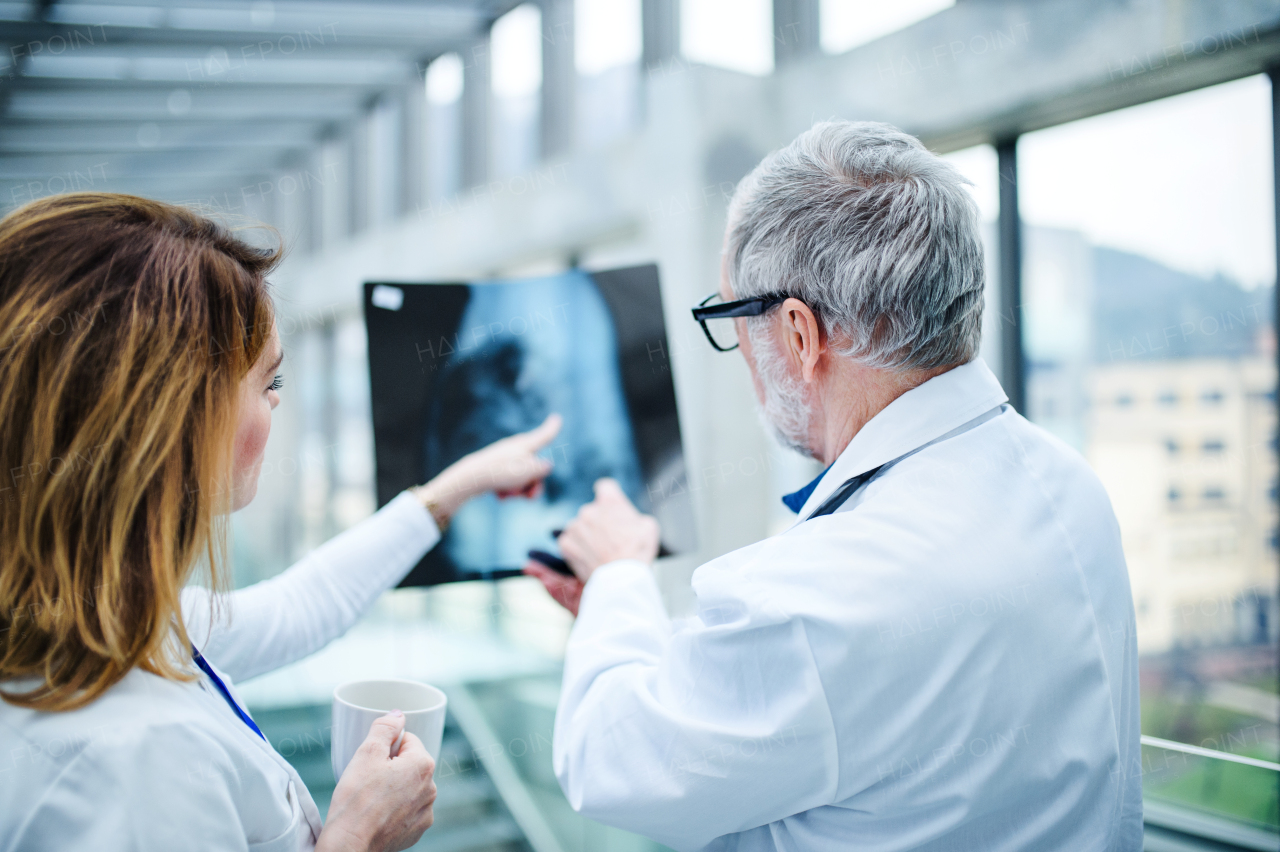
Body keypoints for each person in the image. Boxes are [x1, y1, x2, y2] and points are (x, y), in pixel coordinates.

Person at [525, 121, 1142, 851]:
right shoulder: (1071, 486)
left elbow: (607, 759)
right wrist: (618, 618)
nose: (744, 358)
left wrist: (618, 580)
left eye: (733, 318)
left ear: (797, 334)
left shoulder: (812, 600)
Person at [0, 193, 561, 852]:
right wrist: (358, 836)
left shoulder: (82, 625)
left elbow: (300, 605)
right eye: (270, 383)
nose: (274, 405)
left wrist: (456, 486)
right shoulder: (142, 757)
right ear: (176, 415)